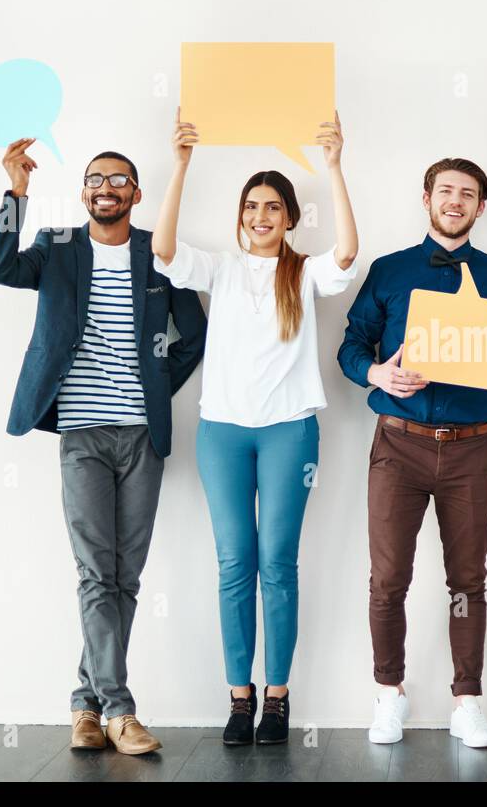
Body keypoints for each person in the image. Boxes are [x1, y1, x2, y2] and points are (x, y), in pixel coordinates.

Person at [0, 139, 208, 755]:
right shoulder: (57, 246)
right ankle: (118, 709)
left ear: (136, 194)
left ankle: (85, 705)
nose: (105, 187)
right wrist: (16, 194)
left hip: (143, 435)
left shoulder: (156, 255)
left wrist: (155, 385)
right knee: (94, 573)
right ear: (84, 192)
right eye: (94, 179)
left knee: (123, 576)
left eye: (119, 179)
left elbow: (194, 335)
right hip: (81, 432)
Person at [151, 110, 358, 745]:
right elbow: (162, 250)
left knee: (278, 561)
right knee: (235, 561)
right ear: (240, 216)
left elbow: (347, 251)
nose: (261, 216)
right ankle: (239, 699)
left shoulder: (305, 273)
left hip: (288, 433)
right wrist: (181, 164)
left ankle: (278, 697)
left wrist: (333, 165)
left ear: (290, 217)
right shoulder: (221, 269)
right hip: (222, 434)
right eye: (251, 207)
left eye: (273, 207)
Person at [337, 157, 487, 748]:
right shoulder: (390, 269)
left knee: (468, 580)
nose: (456, 201)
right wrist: (376, 373)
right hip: (398, 446)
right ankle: (389, 694)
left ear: (482, 206)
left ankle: (467, 701)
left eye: (468, 194)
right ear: (426, 199)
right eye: (446, 191)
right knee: (388, 579)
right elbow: (350, 346)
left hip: (473, 451)